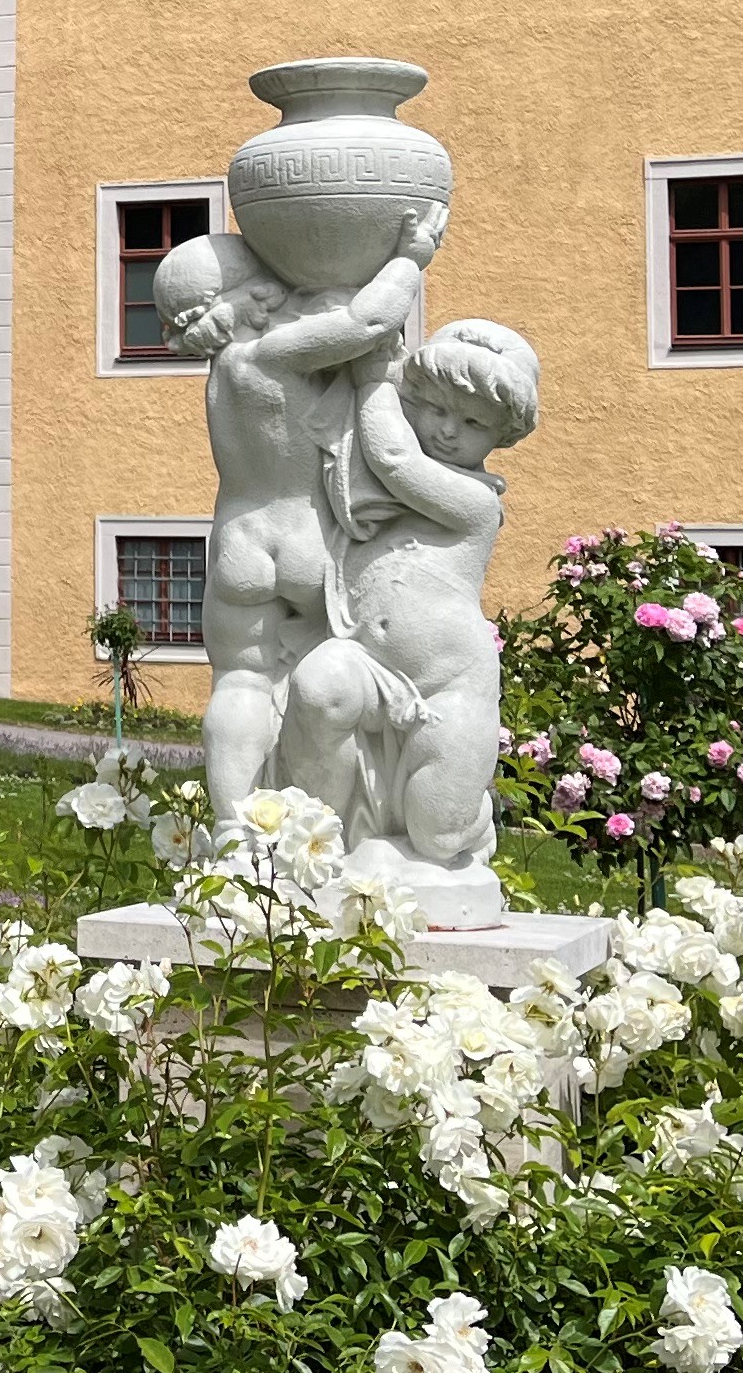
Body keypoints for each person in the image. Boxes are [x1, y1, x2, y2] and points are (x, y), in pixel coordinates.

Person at [161, 200, 444, 821]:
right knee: (344, 685)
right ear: (256, 291)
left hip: (238, 540)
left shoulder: (223, 370)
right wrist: (409, 259)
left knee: (239, 684)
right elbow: (368, 323)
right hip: (307, 540)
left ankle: (235, 834)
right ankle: (333, 827)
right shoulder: (273, 352)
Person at [274, 317, 539, 925]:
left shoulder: (475, 503)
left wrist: (372, 375)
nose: (447, 431)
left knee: (437, 835)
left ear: (500, 435)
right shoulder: (372, 496)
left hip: (450, 685)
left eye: (473, 423)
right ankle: (324, 843)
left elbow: (393, 454)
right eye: (437, 409)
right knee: (317, 690)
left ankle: (469, 828)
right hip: (368, 663)